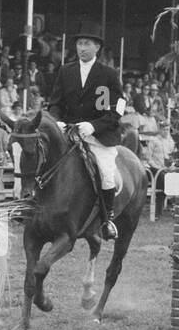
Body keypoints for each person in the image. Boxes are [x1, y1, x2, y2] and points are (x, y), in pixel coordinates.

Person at [45, 30, 126, 239]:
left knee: (106, 174)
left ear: (97, 47)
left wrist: (94, 125)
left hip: (98, 136)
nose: (82, 48)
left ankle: (107, 220)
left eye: (87, 44)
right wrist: (58, 121)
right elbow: (54, 103)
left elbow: (115, 109)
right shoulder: (66, 71)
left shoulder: (108, 74)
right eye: (80, 44)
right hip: (69, 132)